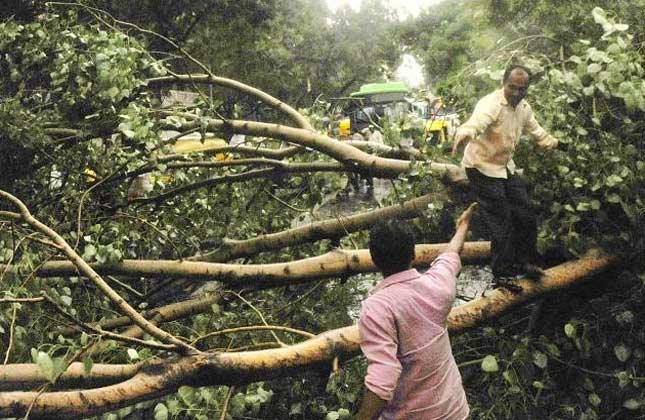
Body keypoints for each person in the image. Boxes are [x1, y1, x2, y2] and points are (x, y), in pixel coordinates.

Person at [356, 203, 476, 420]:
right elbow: (449, 256)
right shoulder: (437, 286)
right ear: (413, 252)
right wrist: (463, 226)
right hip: (454, 411)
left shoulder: (377, 308)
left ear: (374, 260)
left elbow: (383, 378)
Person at [451, 64, 558, 281]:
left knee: (526, 212)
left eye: (522, 89)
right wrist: (465, 133)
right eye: (512, 88)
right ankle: (502, 273)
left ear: (527, 89)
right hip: (480, 166)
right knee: (501, 218)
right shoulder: (491, 104)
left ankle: (524, 261)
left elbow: (537, 131)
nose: (517, 93)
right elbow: (477, 123)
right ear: (503, 84)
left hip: (504, 167)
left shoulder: (524, 109)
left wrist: (556, 143)